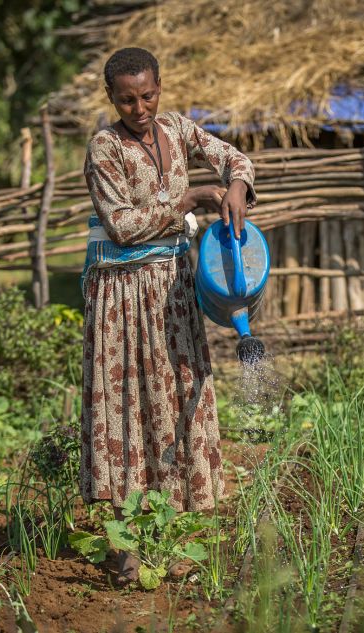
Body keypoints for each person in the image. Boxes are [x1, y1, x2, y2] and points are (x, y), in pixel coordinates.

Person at [80, 47, 256, 585]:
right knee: (126, 409)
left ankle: (176, 538)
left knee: (180, 398)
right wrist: (190, 197)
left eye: (149, 94)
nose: (141, 106)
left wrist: (234, 187)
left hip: (175, 292)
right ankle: (125, 548)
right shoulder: (103, 148)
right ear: (112, 98)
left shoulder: (178, 129)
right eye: (128, 98)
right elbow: (123, 227)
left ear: (161, 86)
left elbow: (235, 159)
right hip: (122, 296)